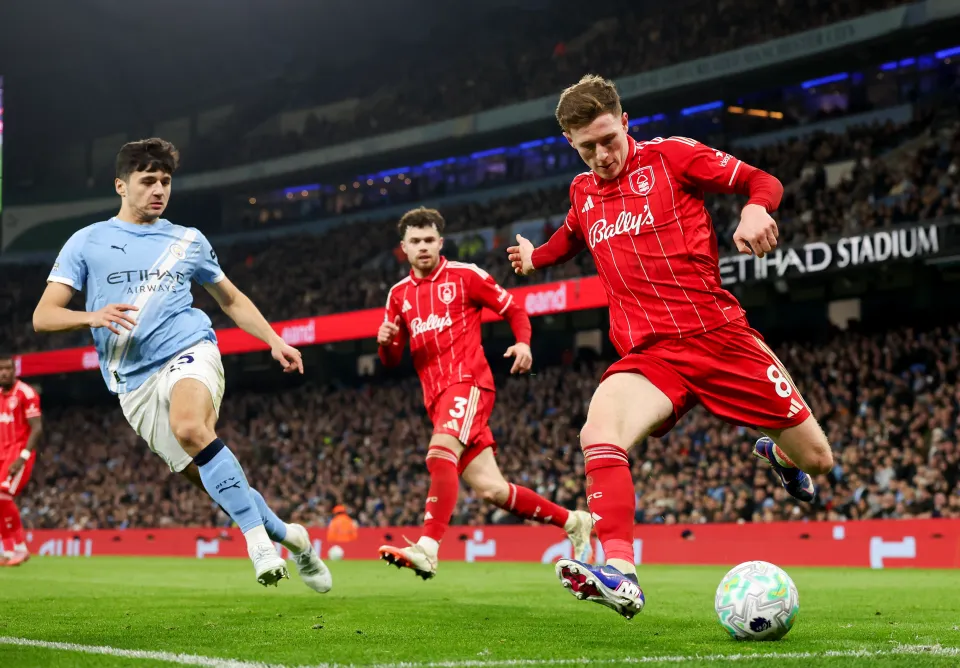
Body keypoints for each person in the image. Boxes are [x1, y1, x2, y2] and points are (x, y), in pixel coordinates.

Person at [508, 75, 833, 619]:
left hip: (721, 339)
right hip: (650, 356)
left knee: (818, 461)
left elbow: (760, 179)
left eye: (608, 138)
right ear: (570, 143)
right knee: (599, 430)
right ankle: (620, 572)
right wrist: (535, 258)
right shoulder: (582, 191)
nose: (602, 154)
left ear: (625, 121)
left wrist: (756, 209)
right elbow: (571, 235)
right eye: (587, 147)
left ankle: (776, 452)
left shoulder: (671, 158)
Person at [32, 138, 331, 592]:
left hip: (189, 348)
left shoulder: (188, 240)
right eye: (147, 180)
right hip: (132, 383)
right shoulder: (87, 241)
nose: (159, 190)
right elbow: (43, 316)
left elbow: (228, 298)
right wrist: (91, 316)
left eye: (165, 181)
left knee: (191, 427)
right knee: (218, 485)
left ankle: (258, 546)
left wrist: (273, 339)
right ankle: (292, 537)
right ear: (120, 185)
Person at [377, 207, 593, 579]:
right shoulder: (398, 296)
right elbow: (392, 358)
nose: (423, 247)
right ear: (404, 248)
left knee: (439, 453)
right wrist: (386, 342)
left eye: (430, 240)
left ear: (440, 243)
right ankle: (574, 521)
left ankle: (428, 548)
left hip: (468, 383)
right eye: (416, 241)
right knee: (492, 491)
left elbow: (515, 310)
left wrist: (523, 344)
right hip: (435, 397)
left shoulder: (465, 276)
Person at [0, 353, 42, 567]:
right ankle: (8, 551)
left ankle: (20, 548)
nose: (4, 372)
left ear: (14, 370)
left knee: (2, 495)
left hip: (18, 454)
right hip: (1, 454)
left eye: (8, 368)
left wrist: (23, 456)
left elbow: (37, 427)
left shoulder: (26, 393)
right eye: (1, 369)